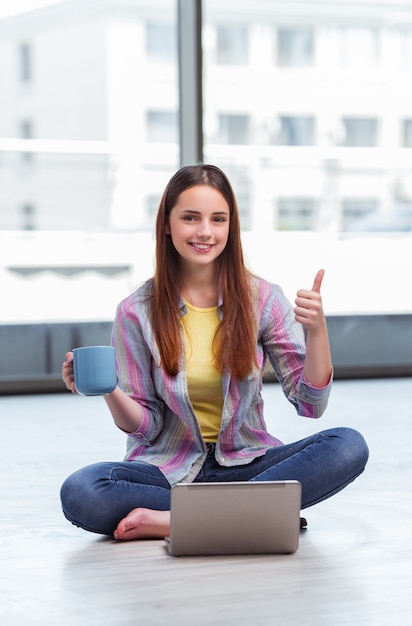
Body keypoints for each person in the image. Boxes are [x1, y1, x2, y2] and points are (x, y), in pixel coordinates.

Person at [61, 163, 369, 541]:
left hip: (248, 463)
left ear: (230, 226)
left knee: (348, 445)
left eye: (218, 219)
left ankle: (180, 520)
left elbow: (310, 404)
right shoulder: (135, 309)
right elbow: (147, 427)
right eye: (190, 218)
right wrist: (109, 388)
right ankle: (253, 513)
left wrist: (317, 331)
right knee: (83, 491)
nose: (205, 232)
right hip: (167, 471)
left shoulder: (264, 299)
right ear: (167, 224)